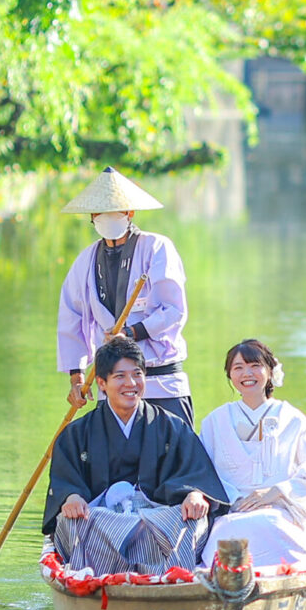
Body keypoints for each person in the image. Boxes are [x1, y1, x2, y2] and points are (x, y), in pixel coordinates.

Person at [42, 336, 229, 540]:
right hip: (98, 520)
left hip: (159, 519)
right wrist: (71, 497)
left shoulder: (171, 426)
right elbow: (65, 480)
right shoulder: (77, 432)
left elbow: (195, 472)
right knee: (69, 522)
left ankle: (162, 570)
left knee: (194, 520)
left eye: (137, 374)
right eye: (120, 376)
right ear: (102, 383)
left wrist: (194, 494)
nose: (131, 384)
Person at [56, 167, 194, 424]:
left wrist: (131, 333)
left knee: (173, 460)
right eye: (100, 211)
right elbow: (70, 318)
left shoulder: (156, 247)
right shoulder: (86, 260)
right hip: (112, 386)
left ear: (130, 213)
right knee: (114, 462)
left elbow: (173, 310)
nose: (107, 216)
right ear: (92, 216)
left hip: (159, 380)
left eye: (115, 210)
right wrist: (76, 378)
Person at [197, 339, 306, 571]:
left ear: (270, 371)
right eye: (238, 367)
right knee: (229, 533)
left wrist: (277, 492)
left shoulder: (292, 418)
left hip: (280, 509)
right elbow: (201, 471)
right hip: (233, 511)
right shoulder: (215, 421)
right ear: (230, 375)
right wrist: (235, 499)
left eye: (254, 366)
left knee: (272, 524)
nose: (247, 374)